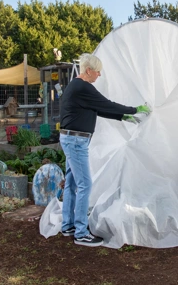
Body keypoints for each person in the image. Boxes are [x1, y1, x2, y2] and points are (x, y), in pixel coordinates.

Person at [59, 53, 151, 247]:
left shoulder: (75, 87)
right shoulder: (84, 87)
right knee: (85, 184)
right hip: (76, 141)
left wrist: (122, 117)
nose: (99, 75)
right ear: (88, 70)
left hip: (69, 138)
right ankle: (81, 233)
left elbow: (97, 109)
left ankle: (68, 225)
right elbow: (106, 104)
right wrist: (135, 109)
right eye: (98, 71)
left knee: (72, 183)